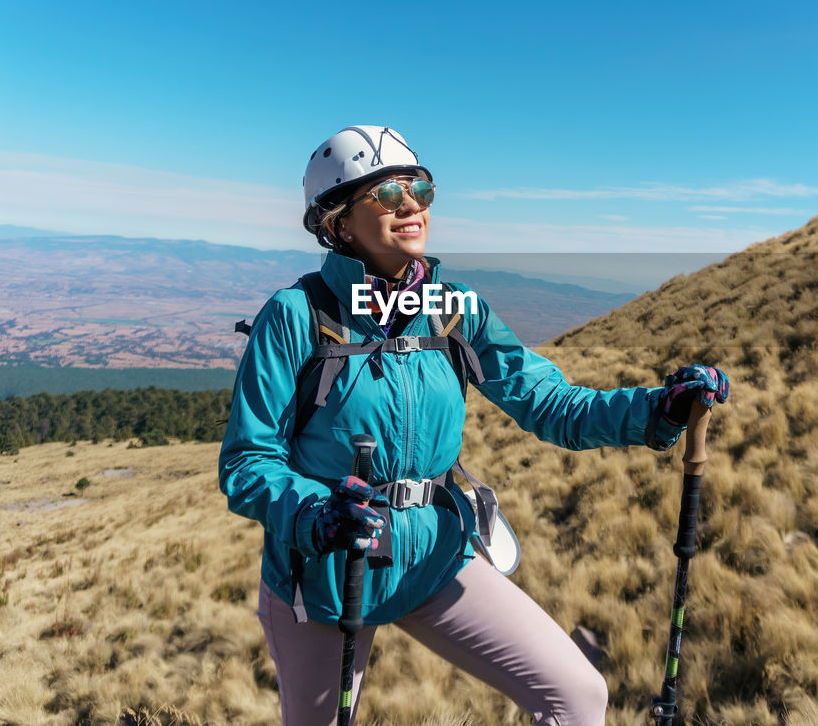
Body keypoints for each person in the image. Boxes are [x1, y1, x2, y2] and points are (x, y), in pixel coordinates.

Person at [219, 125, 729, 725]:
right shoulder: (295, 315)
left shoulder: (454, 309)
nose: (410, 206)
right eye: (386, 195)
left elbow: (547, 401)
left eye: (420, 189)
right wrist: (314, 514)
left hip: (433, 553)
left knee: (577, 696)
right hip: (326, 576)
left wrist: (655, 411)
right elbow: (248, 462)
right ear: (338, 222)